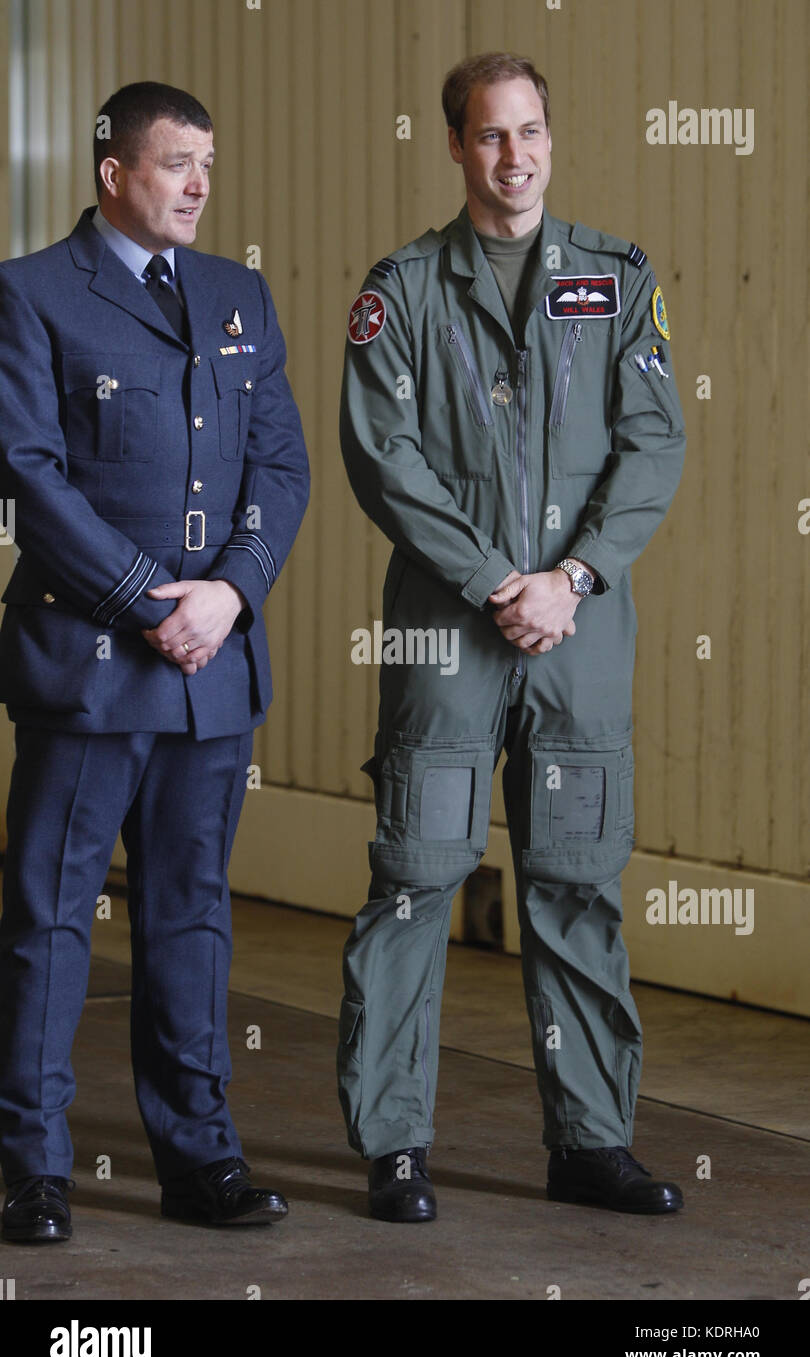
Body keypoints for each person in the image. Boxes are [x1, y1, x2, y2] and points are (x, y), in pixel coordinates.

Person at [337, 53, 686, 1222]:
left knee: (577, 884)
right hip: (448, 628)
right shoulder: (403, 290)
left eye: (531, 131)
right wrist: (499, 579)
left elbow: (654, 443)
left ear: (551, 136)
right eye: (491, 136)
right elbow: (384, 458)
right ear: (453, 146)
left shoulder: (616, 277)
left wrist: (571, 576)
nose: (516, 156)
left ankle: (590, 1141)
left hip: (579, 630)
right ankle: (394, 1147)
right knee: (414, 878)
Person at [0, 82, 309, 1241]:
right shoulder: (31, 294)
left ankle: (200, 1160)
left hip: (210, 667)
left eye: (207, 165)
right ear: (112, 172)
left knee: (191, 917)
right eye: (175, 163)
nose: (197, 184)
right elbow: (31, 475)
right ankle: (33, 1166)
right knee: (49, 916)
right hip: (90, 666)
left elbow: (281, 466)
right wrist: (145, 602)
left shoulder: (238, 295)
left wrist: (229, 591)